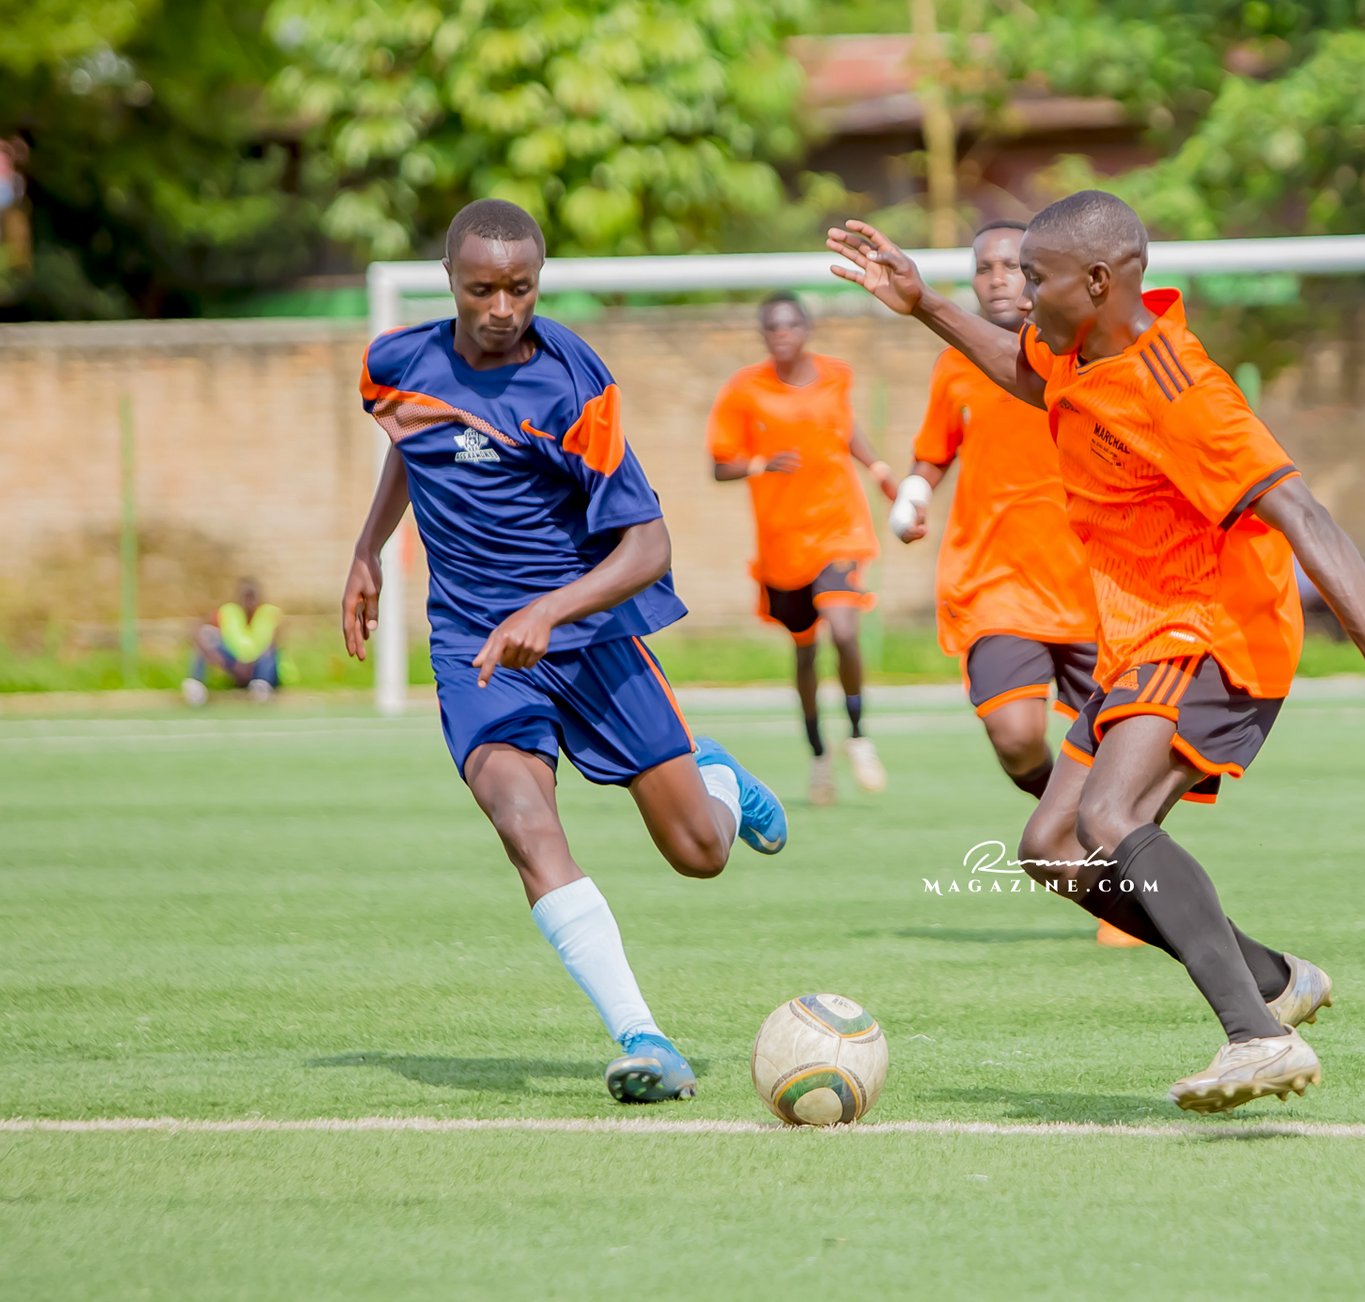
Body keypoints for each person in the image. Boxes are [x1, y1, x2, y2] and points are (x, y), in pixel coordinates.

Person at [829, 193, 1365, 1114]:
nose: (1021, 293)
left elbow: (1305, 514)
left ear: (1097, 281)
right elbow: (1027, 376)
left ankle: (1258, 1036)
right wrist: (925, 304)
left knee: (1109, 813)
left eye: (1036, 277)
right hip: (1143, 631)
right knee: (1051, 848)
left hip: (1214, 625)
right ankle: (1273, 979)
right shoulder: (1075, 350)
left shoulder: (1182, 390)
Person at [342, 199, 789, 1106]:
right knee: (523, 821)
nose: (503, 307)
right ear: (450, 281)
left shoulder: (572, 383)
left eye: (521, 287)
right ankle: (643, 1038)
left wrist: (549, 611)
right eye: (483, 289)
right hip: (475, 646)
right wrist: (367, 550)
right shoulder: (394, 365)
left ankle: (717, 778)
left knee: (701, 853)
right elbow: (414, 443)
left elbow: (649, 546)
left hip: (590, 638)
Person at [885, 220, 1138, 949]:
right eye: (983, 267)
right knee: (1017, 737)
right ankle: (1077, 831)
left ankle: (1117, 867)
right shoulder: (956, 364)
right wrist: (914, 491)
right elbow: (935, 452)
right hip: (992, 582)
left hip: (1091, 586)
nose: (997, 278)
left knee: (1120, 748)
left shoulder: (1083, 356)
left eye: (1010, 266)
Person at [709, 292, 897, 806]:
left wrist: (879, 469)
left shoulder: (835, 376)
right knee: (806, 649)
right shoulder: (745, 391)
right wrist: (760, 463)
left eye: (790, 325)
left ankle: (857, 735)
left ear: (806, 329)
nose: (782, 335)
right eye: (772, 328)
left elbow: (846, 428)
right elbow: (719, 464)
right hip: (783, 544)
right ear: (763, 335)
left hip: (839, 529)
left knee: (845, 629)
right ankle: (818, 755)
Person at [182, 579, 281, 705]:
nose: (249, 602)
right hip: (235, 662)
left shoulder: (269, 613)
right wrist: (213, 655)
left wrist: (250, 662)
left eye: (252, 597)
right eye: (245, 597)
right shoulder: (228, 612)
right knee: (207, 634)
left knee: (269, 653)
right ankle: (196, 685)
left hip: (258, 664)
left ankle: (261, 685)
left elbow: (274, 643)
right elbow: (198, 630)